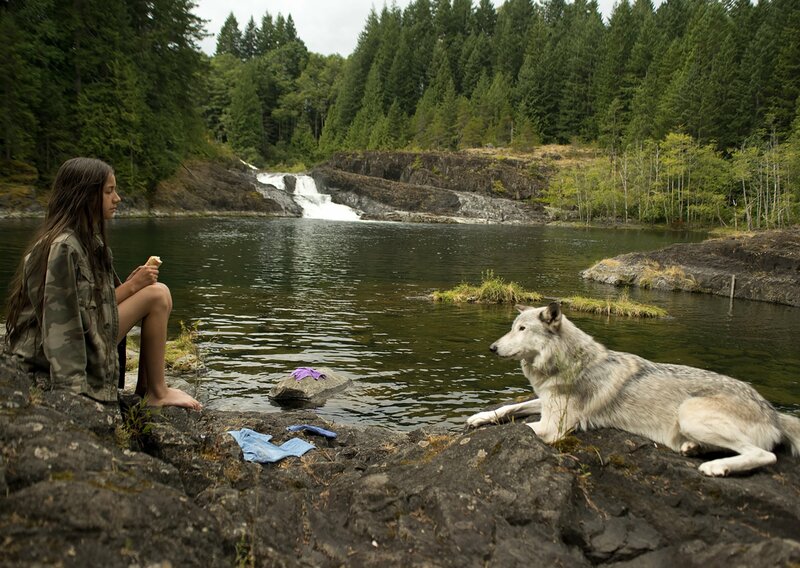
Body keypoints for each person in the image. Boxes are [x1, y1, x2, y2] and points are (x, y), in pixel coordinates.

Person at [4, 157, 201, 410]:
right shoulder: (62, 247)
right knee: (157, 295)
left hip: (83, 336)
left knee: (157, 291)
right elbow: (61, 322)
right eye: (109, 191)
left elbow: (90, 305)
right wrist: (74, 394)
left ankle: (147, 389)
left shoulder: (87, 241)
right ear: (83, 196)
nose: (117, 198)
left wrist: (130, 285)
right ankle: (157, 392)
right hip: (47, 355)